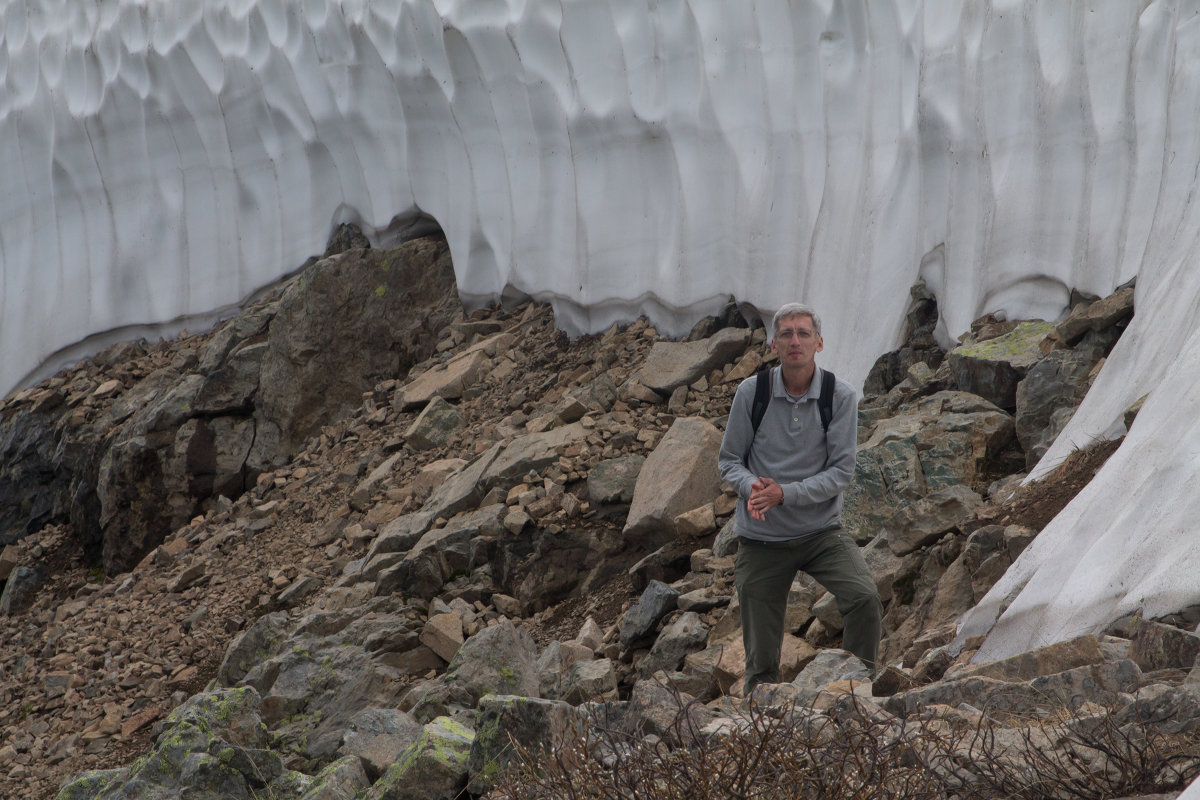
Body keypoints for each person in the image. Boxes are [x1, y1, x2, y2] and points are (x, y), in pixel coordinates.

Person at [718, 303, 882, 695]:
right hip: (761, 540)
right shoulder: (752, 393)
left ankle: (854, 690)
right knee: (760, 659)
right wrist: (753, 488)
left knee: (864, 599)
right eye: (787, 334)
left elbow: (841, 473)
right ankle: (763, 714)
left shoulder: (838, 396)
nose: (795, 341)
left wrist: (783, 495)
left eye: (803, 333)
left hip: (821, 532)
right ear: (773, 344)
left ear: (819, 343)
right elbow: (728, 460)